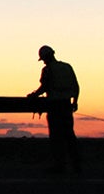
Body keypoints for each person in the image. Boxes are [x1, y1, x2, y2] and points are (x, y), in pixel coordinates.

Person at [27, 45, 81, 174]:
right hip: (66, 105)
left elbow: (44, 87)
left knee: (56, 137)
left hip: (54, 106)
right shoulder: (67, 67)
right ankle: (76, 164)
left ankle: (59, 166)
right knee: (69, 135)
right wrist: (75, 102)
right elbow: (76, 86)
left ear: (45, 57)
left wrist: (33, 95)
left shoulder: (48, 70)